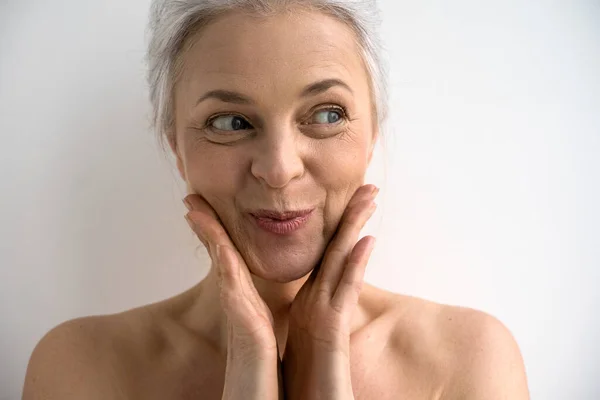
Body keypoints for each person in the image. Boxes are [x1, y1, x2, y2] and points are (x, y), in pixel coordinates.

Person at [22, 0, 530, 399]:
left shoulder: (469, 359)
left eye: (327, 114)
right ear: (177, 147)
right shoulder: (81, 366)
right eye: (229, 122)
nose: (280, 167)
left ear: (372, 132)